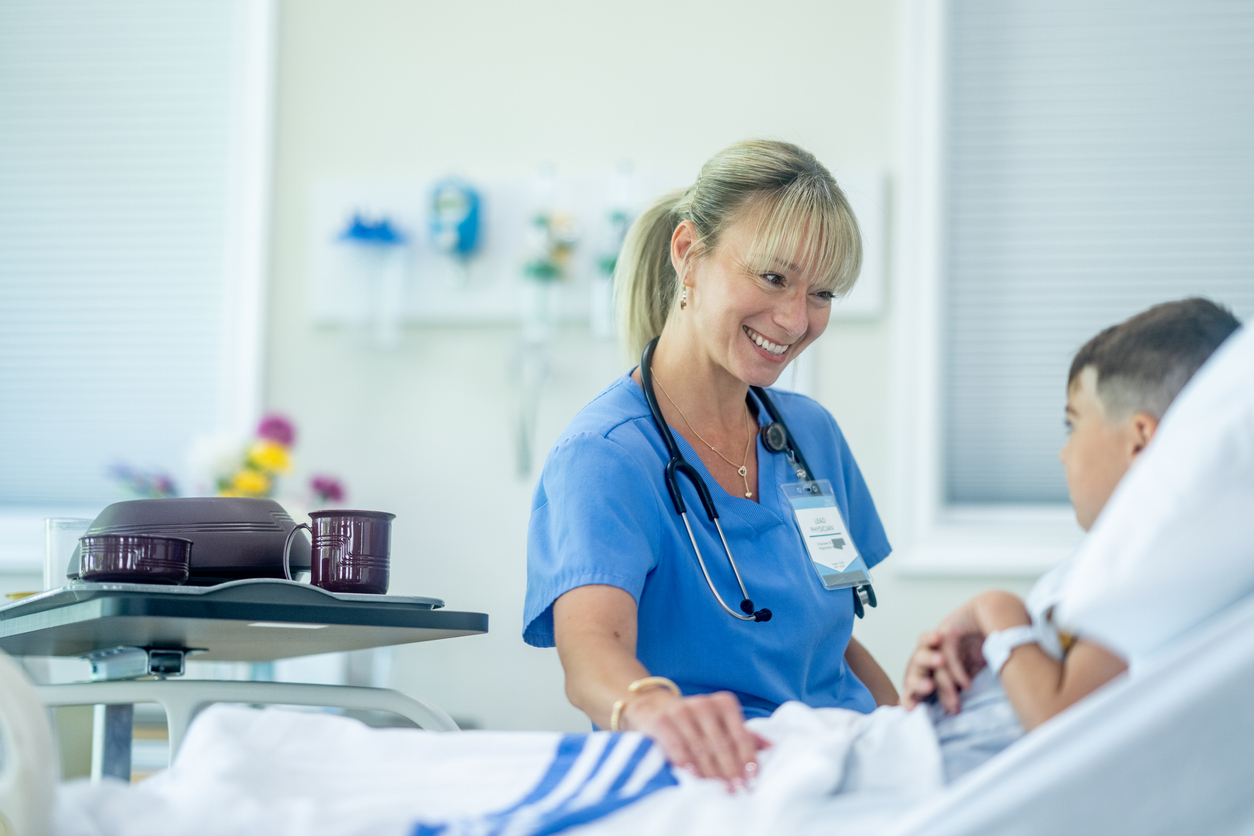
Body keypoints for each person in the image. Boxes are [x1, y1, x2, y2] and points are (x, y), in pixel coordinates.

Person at [524, 140, 898, 790]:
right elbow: (590, 655)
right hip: (714, 775)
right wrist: (653, 708)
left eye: (823, 293)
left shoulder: (810, 436)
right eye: (774, 277)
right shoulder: (607, 454)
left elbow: (832, 645)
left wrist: (907, 737)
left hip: (844, 764)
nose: (795, 319)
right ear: (687, 253)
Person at [902, 298, 1242, 778]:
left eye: (1073, 423)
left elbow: (1059, 721)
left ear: (1140, 440)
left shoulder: (1152, 569)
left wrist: (996, 609)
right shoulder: (1124, 560)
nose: (1064, 453)